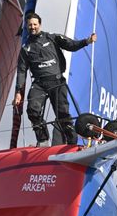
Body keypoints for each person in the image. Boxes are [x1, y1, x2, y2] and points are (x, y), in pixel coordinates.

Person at [12, 12, 96, 146]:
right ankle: (43, 140)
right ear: (27, 27)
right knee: (32, 110)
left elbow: (71, 45)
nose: (32, 27)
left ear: (39, 24)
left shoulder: (52, 38)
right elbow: (21, 71)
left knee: (63, 114)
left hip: (57, 82)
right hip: (39, 84)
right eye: (30, 25)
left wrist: (87, 41)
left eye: (35, 24)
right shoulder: (25, 48)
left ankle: (72, 143)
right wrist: (18, 92)